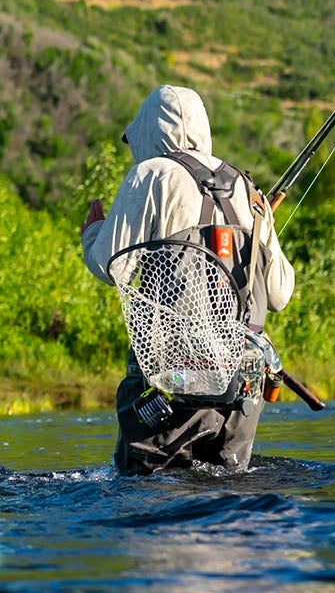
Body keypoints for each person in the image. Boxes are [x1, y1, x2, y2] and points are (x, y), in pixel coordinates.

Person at [80, 84, 296, 474]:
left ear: (148, 132)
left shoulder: (151, 174)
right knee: (224, 492)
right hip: (241, 387)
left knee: (148, 495)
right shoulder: (248, 188)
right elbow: (280, 294)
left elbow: (110, 267)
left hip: (170, 379)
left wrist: (92, 233)